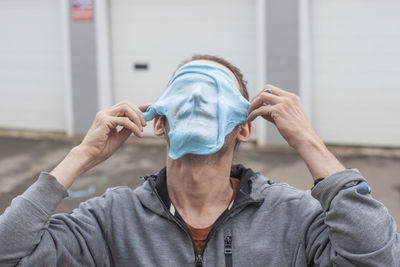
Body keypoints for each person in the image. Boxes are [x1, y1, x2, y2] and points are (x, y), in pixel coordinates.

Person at [0, 55, 398, 267]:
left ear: (244, 126)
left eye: (213, 93)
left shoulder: (294, 217)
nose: (195, 100)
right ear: (160, 121)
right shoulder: (111, 219)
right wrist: (81, 155)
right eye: (186, 89)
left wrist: (308, 142)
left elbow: (379, 258)